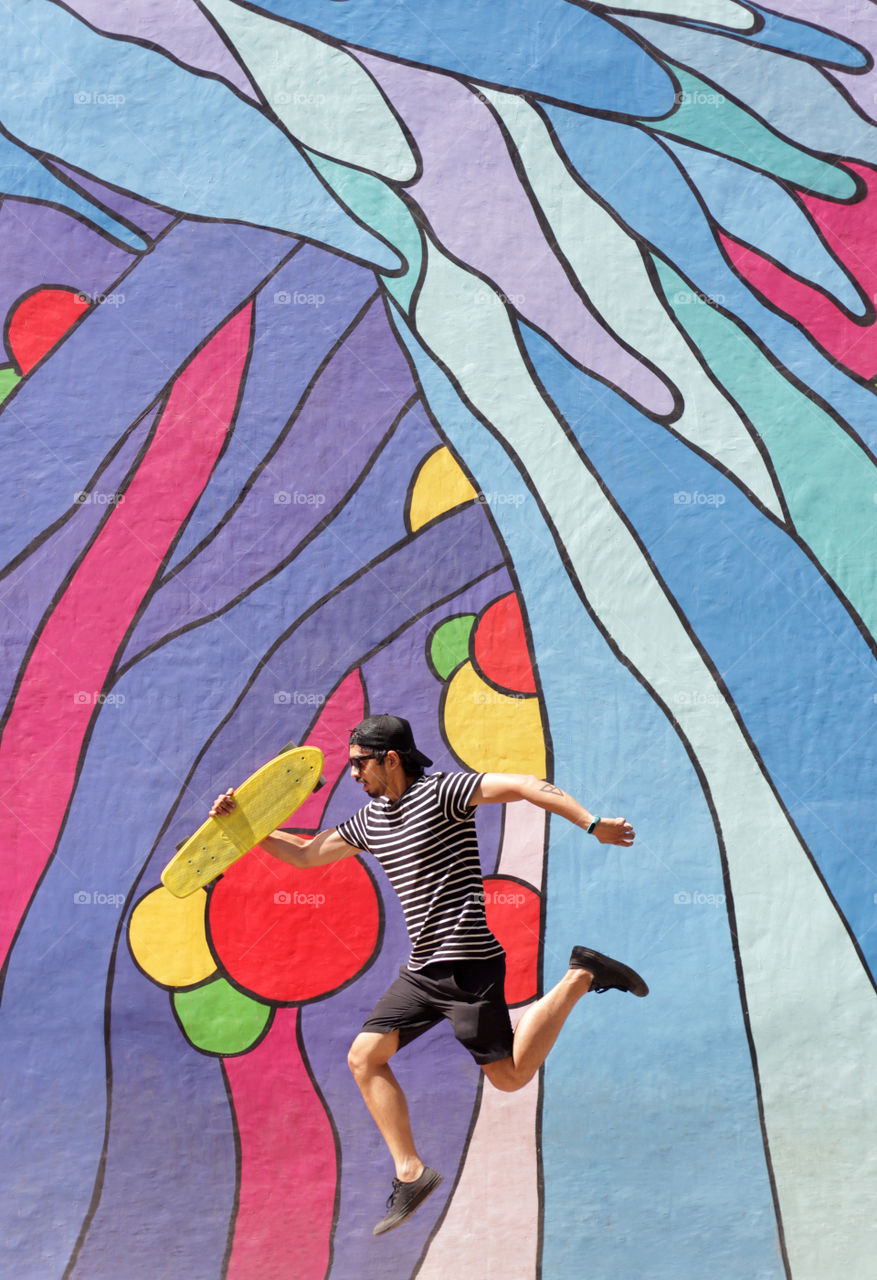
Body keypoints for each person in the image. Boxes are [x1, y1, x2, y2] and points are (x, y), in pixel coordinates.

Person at [210, 714, 647, 1236]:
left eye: (359, 764)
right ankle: (411, 1173)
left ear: (390, 758)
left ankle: (580, 974)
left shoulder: (445, 792)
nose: (352, 775)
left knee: (509, 1077)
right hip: (422, 971)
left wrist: (592, 824)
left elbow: (526, 785)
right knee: (364, 1057)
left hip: (467, 964)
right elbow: (305, 856)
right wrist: (244, 827)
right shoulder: (371, 820)